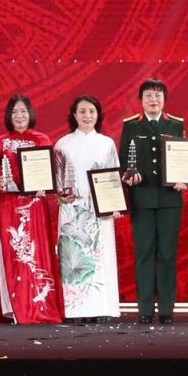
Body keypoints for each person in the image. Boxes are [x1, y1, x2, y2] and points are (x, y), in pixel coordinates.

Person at [120, 79, 186, 324]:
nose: (153, 100)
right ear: (141, 99)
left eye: (158, 95)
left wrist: (185, 178)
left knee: (167, 254)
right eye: (148, 95)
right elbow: (124, 161)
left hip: (170, 199)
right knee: (144, 254)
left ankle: (167, 309)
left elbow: (184, 158)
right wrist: (129, 176)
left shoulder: (176, 124)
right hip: (142, 197)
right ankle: (145, 309)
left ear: (165, 99)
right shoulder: (131, 126)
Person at [0, 94, 62, 325]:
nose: (19, 116)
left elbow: (51, 172)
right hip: (9, 205)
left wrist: (46, 185)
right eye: (14, 112)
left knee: (36, 252)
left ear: (30, 113)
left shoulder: (42, 139)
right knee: (16, 253)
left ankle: (40, 304)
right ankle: (17, 307)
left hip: (35, 205)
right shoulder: (0, 142)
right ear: (8, 116)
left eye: (23, 111)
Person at [54, 95, 121, 323]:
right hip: (71, 209)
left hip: (99, 209)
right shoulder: (62, 144)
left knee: (100, 256)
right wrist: (61, 195)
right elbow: (56, 179)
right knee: (72, 258)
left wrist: (114, 204)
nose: (87, 116)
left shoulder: (106, 143)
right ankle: (74, 310)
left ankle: (102, 308)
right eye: (82, 111)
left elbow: (114, 176)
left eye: (91, 111)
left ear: (98, 115)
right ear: (74, 115)